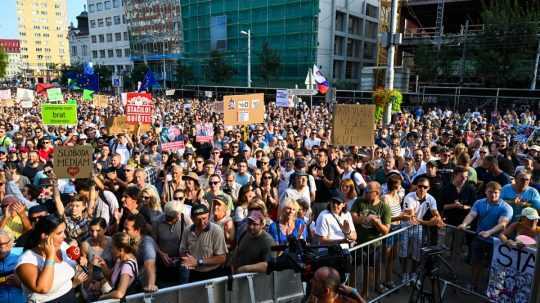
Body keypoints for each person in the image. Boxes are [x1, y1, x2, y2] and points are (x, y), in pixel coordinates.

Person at [16, 214, 88, 302]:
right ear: (44, 236)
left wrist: (80, 263)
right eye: (59, 233)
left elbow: (67, 271)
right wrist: (50, 257)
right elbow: (43, 288)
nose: (64, 236)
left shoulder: (63, 246)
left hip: (70, 297)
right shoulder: (27, 260)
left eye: (64, 231)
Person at [458, 181, 513, 291]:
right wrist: (464, 224)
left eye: (496, 193)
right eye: (490, 192)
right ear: (485, 192)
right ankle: (473, 284)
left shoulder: (506, 208)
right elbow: (472, 214)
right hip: (479, 238)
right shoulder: (479, 202)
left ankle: (493, 290)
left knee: (495, 267)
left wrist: (489, 232)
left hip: (497, 242)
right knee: (475, 263)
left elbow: (502, 224)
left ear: (500, 193)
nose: (493, 195)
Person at [350, 181, 391, 295]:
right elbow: (353, 218)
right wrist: (366, 218)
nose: (365, 192)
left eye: (368, 191)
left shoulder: (384, 208)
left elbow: (386, 231)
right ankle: (351, 292)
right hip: (358, 243)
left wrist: (376, 223)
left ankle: (365, 293)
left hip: (374, 245)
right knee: (353, 267)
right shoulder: (359, 201)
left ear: (376, 193)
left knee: (369, 269)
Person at [179, 204, 228, 282]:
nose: (202, 222)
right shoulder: (187, 230)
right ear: (191, 218)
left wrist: (198, 262)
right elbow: (182, 250)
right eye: (198, 219)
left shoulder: (216, 231)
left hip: (213, 274)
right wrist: (187, 259)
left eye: (204, 218)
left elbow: (222, 258)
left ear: (208, 216)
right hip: (193, 273)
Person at [97, 232, 140, 300]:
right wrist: (103, 265)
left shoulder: (127, 267)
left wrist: (103, 297)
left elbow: (120, 293)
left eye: (112, 248)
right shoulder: (119, 260)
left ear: (121, 250)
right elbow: (111, 277)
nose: (111, 250)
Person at [123, 214, 158, 293]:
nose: (123, 231)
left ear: (137, 230)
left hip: (141, 288)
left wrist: (151, 284)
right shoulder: (130, 240)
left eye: (127, 229)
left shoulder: (147, 243)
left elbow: (150, 265)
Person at [81, 218, 113, 300]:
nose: (94, 234)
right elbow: (84, 270)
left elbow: (117, 266)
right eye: (91, 231)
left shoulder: (112, 242)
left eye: (98, 231)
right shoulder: (85, 245)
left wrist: (103, 282)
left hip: (110, 280)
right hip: (91, 282)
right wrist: (91, 264)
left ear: (105, 229)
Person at [0, 229, 24, 303]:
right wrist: (4, 279)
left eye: (6, 243)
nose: (3, 248)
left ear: (11, 243)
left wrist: (21, 284)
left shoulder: (22, 256)